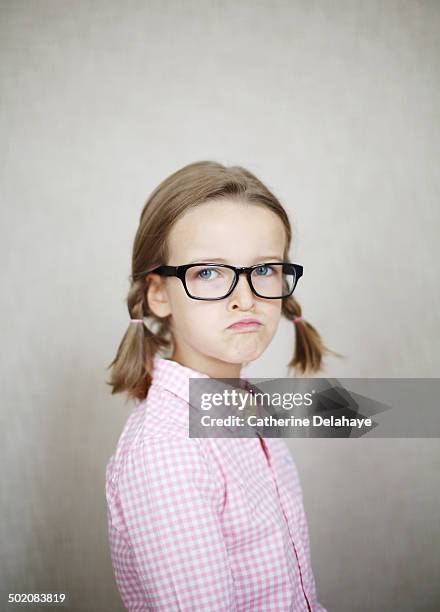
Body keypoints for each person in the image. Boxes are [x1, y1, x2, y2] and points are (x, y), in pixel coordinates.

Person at [105, 160, 338, 610]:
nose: (245, 297)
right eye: (208, 273)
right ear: (158, 293)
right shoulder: (168, 449)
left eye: (266, 269)